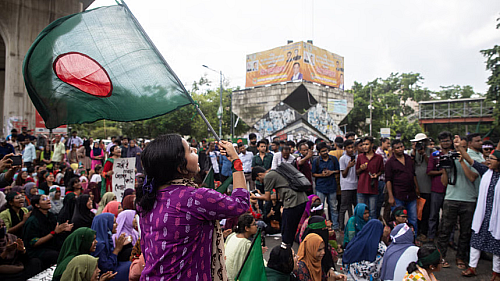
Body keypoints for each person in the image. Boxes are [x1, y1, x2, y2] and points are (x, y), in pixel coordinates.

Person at [136, 135, 250, 280]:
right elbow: (240, 203)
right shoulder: (195, 198)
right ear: (180, 167)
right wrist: (235, 160)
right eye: (190, 150)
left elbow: (147, 250)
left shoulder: (146, 198)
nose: (195, 150)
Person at [456, 139, 500, 280]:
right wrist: (459, 147)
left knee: (496, 244)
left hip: (497, 215)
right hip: (483, 214)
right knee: (476, 241)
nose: (488, 161)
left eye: (492, 159)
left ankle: (496, 273)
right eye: (488, 158)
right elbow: (469, 160)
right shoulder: (486, 172)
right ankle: (472, 267)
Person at [437, 135, 480, 269]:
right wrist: (444, 167)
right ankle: (440, 257)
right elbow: (444, 183)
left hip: (468, 200)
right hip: (451, 198)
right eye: (456, 147)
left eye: (461, 147)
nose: (458, 150)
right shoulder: (451, 159)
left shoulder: (473, 160)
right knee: (445, 230)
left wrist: (462, 161)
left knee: (465, 231)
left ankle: (460, 257)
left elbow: (472, 177)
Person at [251, 165, 308, 245]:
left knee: (287, 229)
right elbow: (277, 196)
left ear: (260, 174)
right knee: (290, 228)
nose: (260, 182)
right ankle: (288, 248)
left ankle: (286, 250)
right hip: (301, 200)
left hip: (292, 202)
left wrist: (256, 197)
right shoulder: (275, 172)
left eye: (259, 180)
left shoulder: (268, 176)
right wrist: (260, 196)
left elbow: (267, 198)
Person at [22, 194, 73, 269]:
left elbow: (56, 230)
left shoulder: (51, 216)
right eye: (44, 199)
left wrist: (63, 229)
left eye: (48, 198)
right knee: (56, 255)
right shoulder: (32, 221)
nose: (48, 200)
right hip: (36, 250)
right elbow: (34, 243)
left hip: (50, 245)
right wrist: (54, 233)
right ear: (37, 205)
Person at [385, 139, 420, 235]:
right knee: (399, 219)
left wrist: (417, 188)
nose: (400, 149)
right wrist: (391, 196)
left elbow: (413, 175)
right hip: (398, 195)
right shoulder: (390, 162)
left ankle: (413, 238)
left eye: (401, 147)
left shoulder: (408, 159)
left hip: (411, 194)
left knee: (413, 218)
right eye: (397, 148)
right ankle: (399, 238)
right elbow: (388, 180)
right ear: (393, 149)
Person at [426, 131, 452, 242]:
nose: (445, 143)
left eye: (447, 140)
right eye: (443, 141)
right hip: (437, 189)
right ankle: (431, 237)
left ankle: (449, 239)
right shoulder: (435, 155)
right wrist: (441, 172)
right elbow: (429, 171)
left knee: (450, 217)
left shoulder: (455, 154)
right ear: (439, 142)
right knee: (433, 215)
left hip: (452, 190)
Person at [91, 213, 131, 281]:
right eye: (114, 223)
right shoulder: (100, 244)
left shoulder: (106, 238)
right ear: (105, 225)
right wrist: (117, 249)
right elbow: (106, 267)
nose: (117, 225)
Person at [312, 142, 340, 230]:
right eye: (322, 151)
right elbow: (313, 174)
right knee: (320, 207)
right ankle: (321, 225)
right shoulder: (316, 161)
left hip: (332, 186)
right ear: (319, 152)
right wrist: (322, 175)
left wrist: (332, 172)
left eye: (326, 150)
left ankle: (335, 225)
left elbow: (338, 170)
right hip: (321, 186)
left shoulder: (333, 159)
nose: (325, 152)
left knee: (333, 207)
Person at [410, 133, 433, 240]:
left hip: (427, 186)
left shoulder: (431, 152)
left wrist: (424, 154)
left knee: (426, 211)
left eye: (422, 142)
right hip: (416, 185)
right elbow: (410, 164)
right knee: (416, 211)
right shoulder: (413, 152)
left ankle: (424, 232)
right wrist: (414, 151)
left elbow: (431, 165)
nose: (420, 144)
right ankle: (416, 230)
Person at [356, 137, 384, 220]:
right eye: (363, 145)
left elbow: (382, 170)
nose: (364, 146)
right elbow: (357, 172)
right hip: (361, 187)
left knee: (372, 211)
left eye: (366, 144)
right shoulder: (360, 157)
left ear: (372, 145)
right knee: (360, 211)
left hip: (373, 188)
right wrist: (361, 168)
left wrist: (377, 175)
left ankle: (372, 230)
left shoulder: (379, 158)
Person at [224, 214, 259, 280]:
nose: (256, 226)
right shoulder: (246, 244)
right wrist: (258, 252)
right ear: (247, 228)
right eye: (254, 224)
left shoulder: (232, 236)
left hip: (226, 276)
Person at [339, 139, 358, 230]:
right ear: (345, 148)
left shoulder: (356, 158)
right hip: (346, 186)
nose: (351, 149)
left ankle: (354, 225)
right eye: (349, 148)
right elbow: (344, 174)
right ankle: (341, 226)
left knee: (355, 206)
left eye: (352, 147)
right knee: (344, 207)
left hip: (355, 185)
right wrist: (348, 166)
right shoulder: (343, 159)